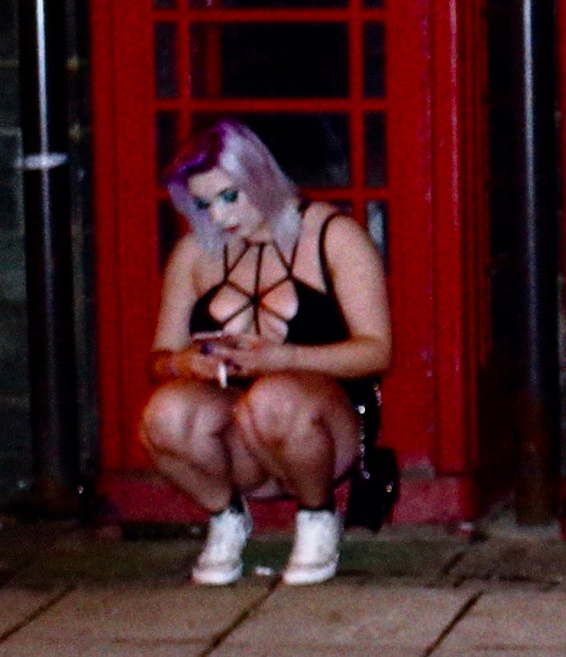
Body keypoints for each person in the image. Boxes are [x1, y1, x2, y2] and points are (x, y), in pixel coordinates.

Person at [138, 121, 391, 586]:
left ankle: (317, 519)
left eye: (229, 196)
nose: (218, 216)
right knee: (164, 414)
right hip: (238, 431)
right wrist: (186, 364)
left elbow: (377, 352)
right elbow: (159, 357)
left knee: (272, 397)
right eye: (203, 204)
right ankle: (226, 517)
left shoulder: (332, 235)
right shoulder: (195, 252)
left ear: (260, 176)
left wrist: (286, 358)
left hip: (326, 425)